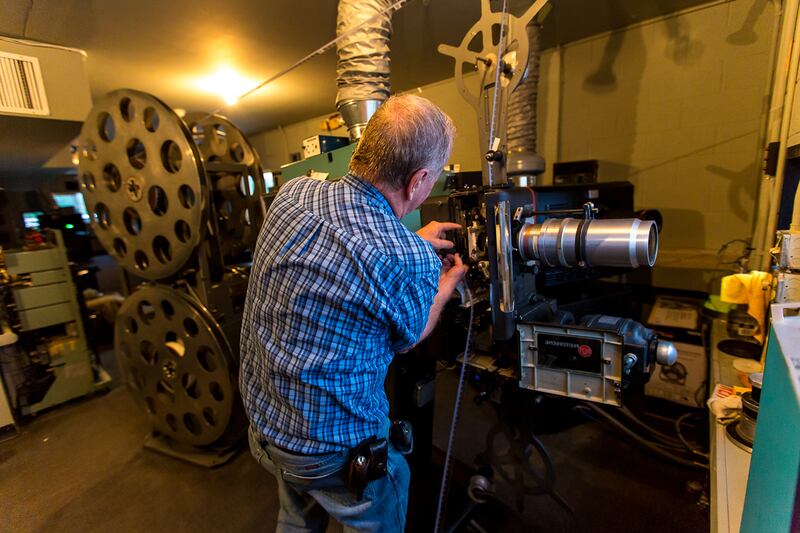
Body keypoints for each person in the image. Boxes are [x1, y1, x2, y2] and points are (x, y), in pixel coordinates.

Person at [240, 93, 468, 532]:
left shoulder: (293, 194)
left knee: (296, 517)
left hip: (266, 429)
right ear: (419, 180)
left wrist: (411, 243)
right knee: (389, 482)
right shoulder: (407, 261)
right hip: (332, 456)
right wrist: (446, 283)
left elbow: (343, 249)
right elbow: (413, 333)